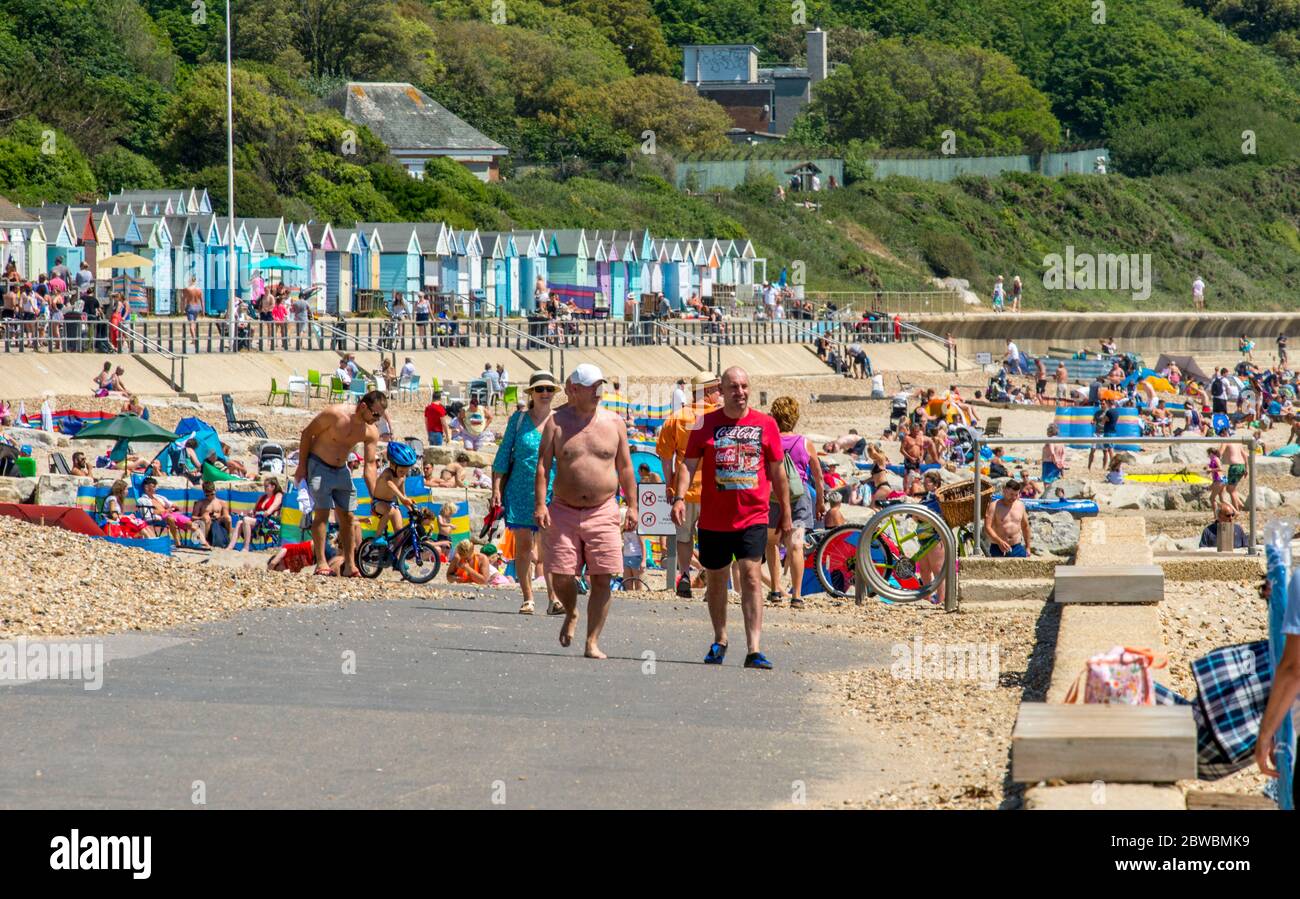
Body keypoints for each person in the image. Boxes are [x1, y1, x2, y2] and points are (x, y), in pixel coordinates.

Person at [673, 366, 789, 670]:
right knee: (716, 580)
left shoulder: (766, 424)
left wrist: (786, 515)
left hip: (753, 516)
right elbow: (687, 464)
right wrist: (678, 497)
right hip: (713, 520)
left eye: (744, 386)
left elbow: (778, 472)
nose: (740, 392)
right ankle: (720, 638)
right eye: (733, 387)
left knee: (751, 577)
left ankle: (754, 648)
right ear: (721, 391)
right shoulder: (704, 424)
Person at [535, 363, 637, 659]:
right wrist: (540, 504)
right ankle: (571, 612)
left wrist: (632, 504)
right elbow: (543, 467)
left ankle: (592, 641)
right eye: (592, 387)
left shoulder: (614, 422)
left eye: (600, 386)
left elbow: (625, 466)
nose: (598, 391)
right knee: (562, 574)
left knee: (603, 575)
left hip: (603, 508)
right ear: (574, 390)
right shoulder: (556, 423)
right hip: (564, 508)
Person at [293, 390, 386, 576]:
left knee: (348, 517)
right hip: (319, 465)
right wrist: (302, 466)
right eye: (375, 414)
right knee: (322, 514)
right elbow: (307, 434)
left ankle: (350, 564)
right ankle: (321, 563)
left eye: (380, 416)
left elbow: (369, 465)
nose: (376, 419)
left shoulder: (370, 431)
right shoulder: (335, 414)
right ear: (363, 406)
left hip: (342, 470)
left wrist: (375, 497)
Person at [492, 370, 560, 615]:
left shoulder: (561, 420)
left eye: (549, 389)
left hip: (553, 490)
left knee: (549, 547)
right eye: (540, 389)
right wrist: (496, 488)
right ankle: (528, 597)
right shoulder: (519, 420)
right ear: (531, 393)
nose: (545, 393)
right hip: (520, 489)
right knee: (523, 547)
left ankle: (554, 599)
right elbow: (503, 454)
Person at [657, 371, 723, 597]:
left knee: (684, 537)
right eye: (716, 389)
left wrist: (670, 484)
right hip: (714, 491)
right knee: (711, 538)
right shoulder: (720, 416)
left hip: (683, 491)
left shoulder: (677, 418)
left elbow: (666, 458)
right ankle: (710, 578)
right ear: (707, 390)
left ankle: (684, 574)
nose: (719, 393)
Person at [763, 396, 824, 609]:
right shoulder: (805, 443)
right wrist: (820, 502)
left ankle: (775, 589)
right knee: (796, 546)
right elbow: (818, 476)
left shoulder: (769, 440)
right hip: (799, 498)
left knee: (771, 543)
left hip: (773, 497)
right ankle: (797, 596)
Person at [370, 441, 420, 544]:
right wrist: (401, 498)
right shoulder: (387, 473)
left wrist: (412, 508)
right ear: (392, 465)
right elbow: (390, 484)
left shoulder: (402, 478)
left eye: (406, 472)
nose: (403, 474)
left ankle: (398, 559)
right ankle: (377, 537)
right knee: (390, 510)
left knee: (400, 533)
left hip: (392, 504)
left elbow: (404, 495)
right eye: (401, 471)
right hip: (378, 502)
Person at [983, 479, 1030, 558]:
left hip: (1017, 547)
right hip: (998, 547)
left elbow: (1025, 527)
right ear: (1004, 491)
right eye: (1011, 494)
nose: (1014, 497)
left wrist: (1028, 547)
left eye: (1016, 494)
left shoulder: (1020, 505)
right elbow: (987, 527)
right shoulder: (994, 506)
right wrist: (999, 542)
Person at [235, 478, 283, 551]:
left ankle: (246, 547)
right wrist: (251, 512)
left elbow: (272, 509)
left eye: (267, 486)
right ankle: (231, 546)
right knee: (239, 522)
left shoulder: (278, 495)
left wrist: (264, 512)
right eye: (264, 486)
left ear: (273, 487)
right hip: (258, 521)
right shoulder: (262, 497)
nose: (264, 488)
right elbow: (254, 511)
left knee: (246, 520)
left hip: (269, 522)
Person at [269, 534, 345, 575]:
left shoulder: (285, 549)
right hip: (317, 558)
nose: (279, 572)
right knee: (334, 565)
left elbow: (273, 562)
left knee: (336, 559)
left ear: (278, 563)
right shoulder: (291, 566)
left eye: (277, 570)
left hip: (317, 547)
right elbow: (295, 574)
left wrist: (268, 571)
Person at [189, 481, 232, 549]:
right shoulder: (200, 503)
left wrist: (219, 517)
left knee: (228, 518)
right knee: (206, 518)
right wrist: (201, 517)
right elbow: (192, 518)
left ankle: (229, 540)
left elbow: (225, 516)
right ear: (204, 493)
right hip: (204, 524)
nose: (210, 497)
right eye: (207, 495)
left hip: (218, 524)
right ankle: (204, 542)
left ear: (215, 491)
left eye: (212, 494)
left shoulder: (222, 503)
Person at [1218, 436, 1248, 511]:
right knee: (1231, 488)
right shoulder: (1237, 442)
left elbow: (1220, 453)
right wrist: (1246, 468)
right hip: (1242, 466)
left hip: (1234, 467)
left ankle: (1236, 509)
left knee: (1230, 490)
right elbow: (1245, 455)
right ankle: (1240, 504)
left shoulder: (1225, 441)